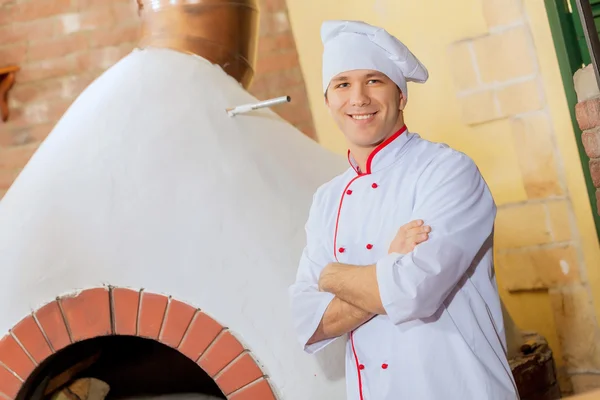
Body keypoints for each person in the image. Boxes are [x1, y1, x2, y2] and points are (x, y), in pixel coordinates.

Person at [288, 20, 519, 400]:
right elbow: (308, 322)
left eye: (374, 80)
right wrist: (388, 263)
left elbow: (413, 293)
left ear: (401, 95)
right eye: (342, 84)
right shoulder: (326, 199)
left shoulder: (448, 171)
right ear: (328, 99)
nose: (358, 98)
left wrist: (330, 276)